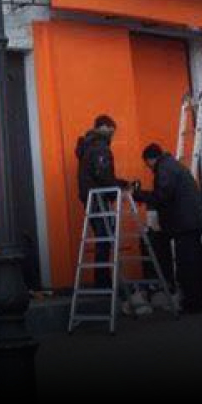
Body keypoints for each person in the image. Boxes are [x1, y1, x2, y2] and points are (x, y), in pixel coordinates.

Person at [134, 144, 202, 314]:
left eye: (147, 164)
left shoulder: (164, 169)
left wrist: (139, 194)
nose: (148, 168)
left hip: (185, 224)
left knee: (187, 265)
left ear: (150, 159)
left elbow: (162, 196)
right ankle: (198, 302)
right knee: (192, 263)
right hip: (190, 221)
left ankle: (193, 304)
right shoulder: (172, 165)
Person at [75, 115, 131, 290]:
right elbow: (103, 175)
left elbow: (98, 174)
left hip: (90, 197)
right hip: (99, 198)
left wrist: (120, 183)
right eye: (111, 131)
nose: (112, 135)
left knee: (102, 238)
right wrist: (117, 190)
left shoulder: (88, 146)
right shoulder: (100, 147)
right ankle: (103, 282)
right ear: (103, 127)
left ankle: (102, 281)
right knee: (105, 238)